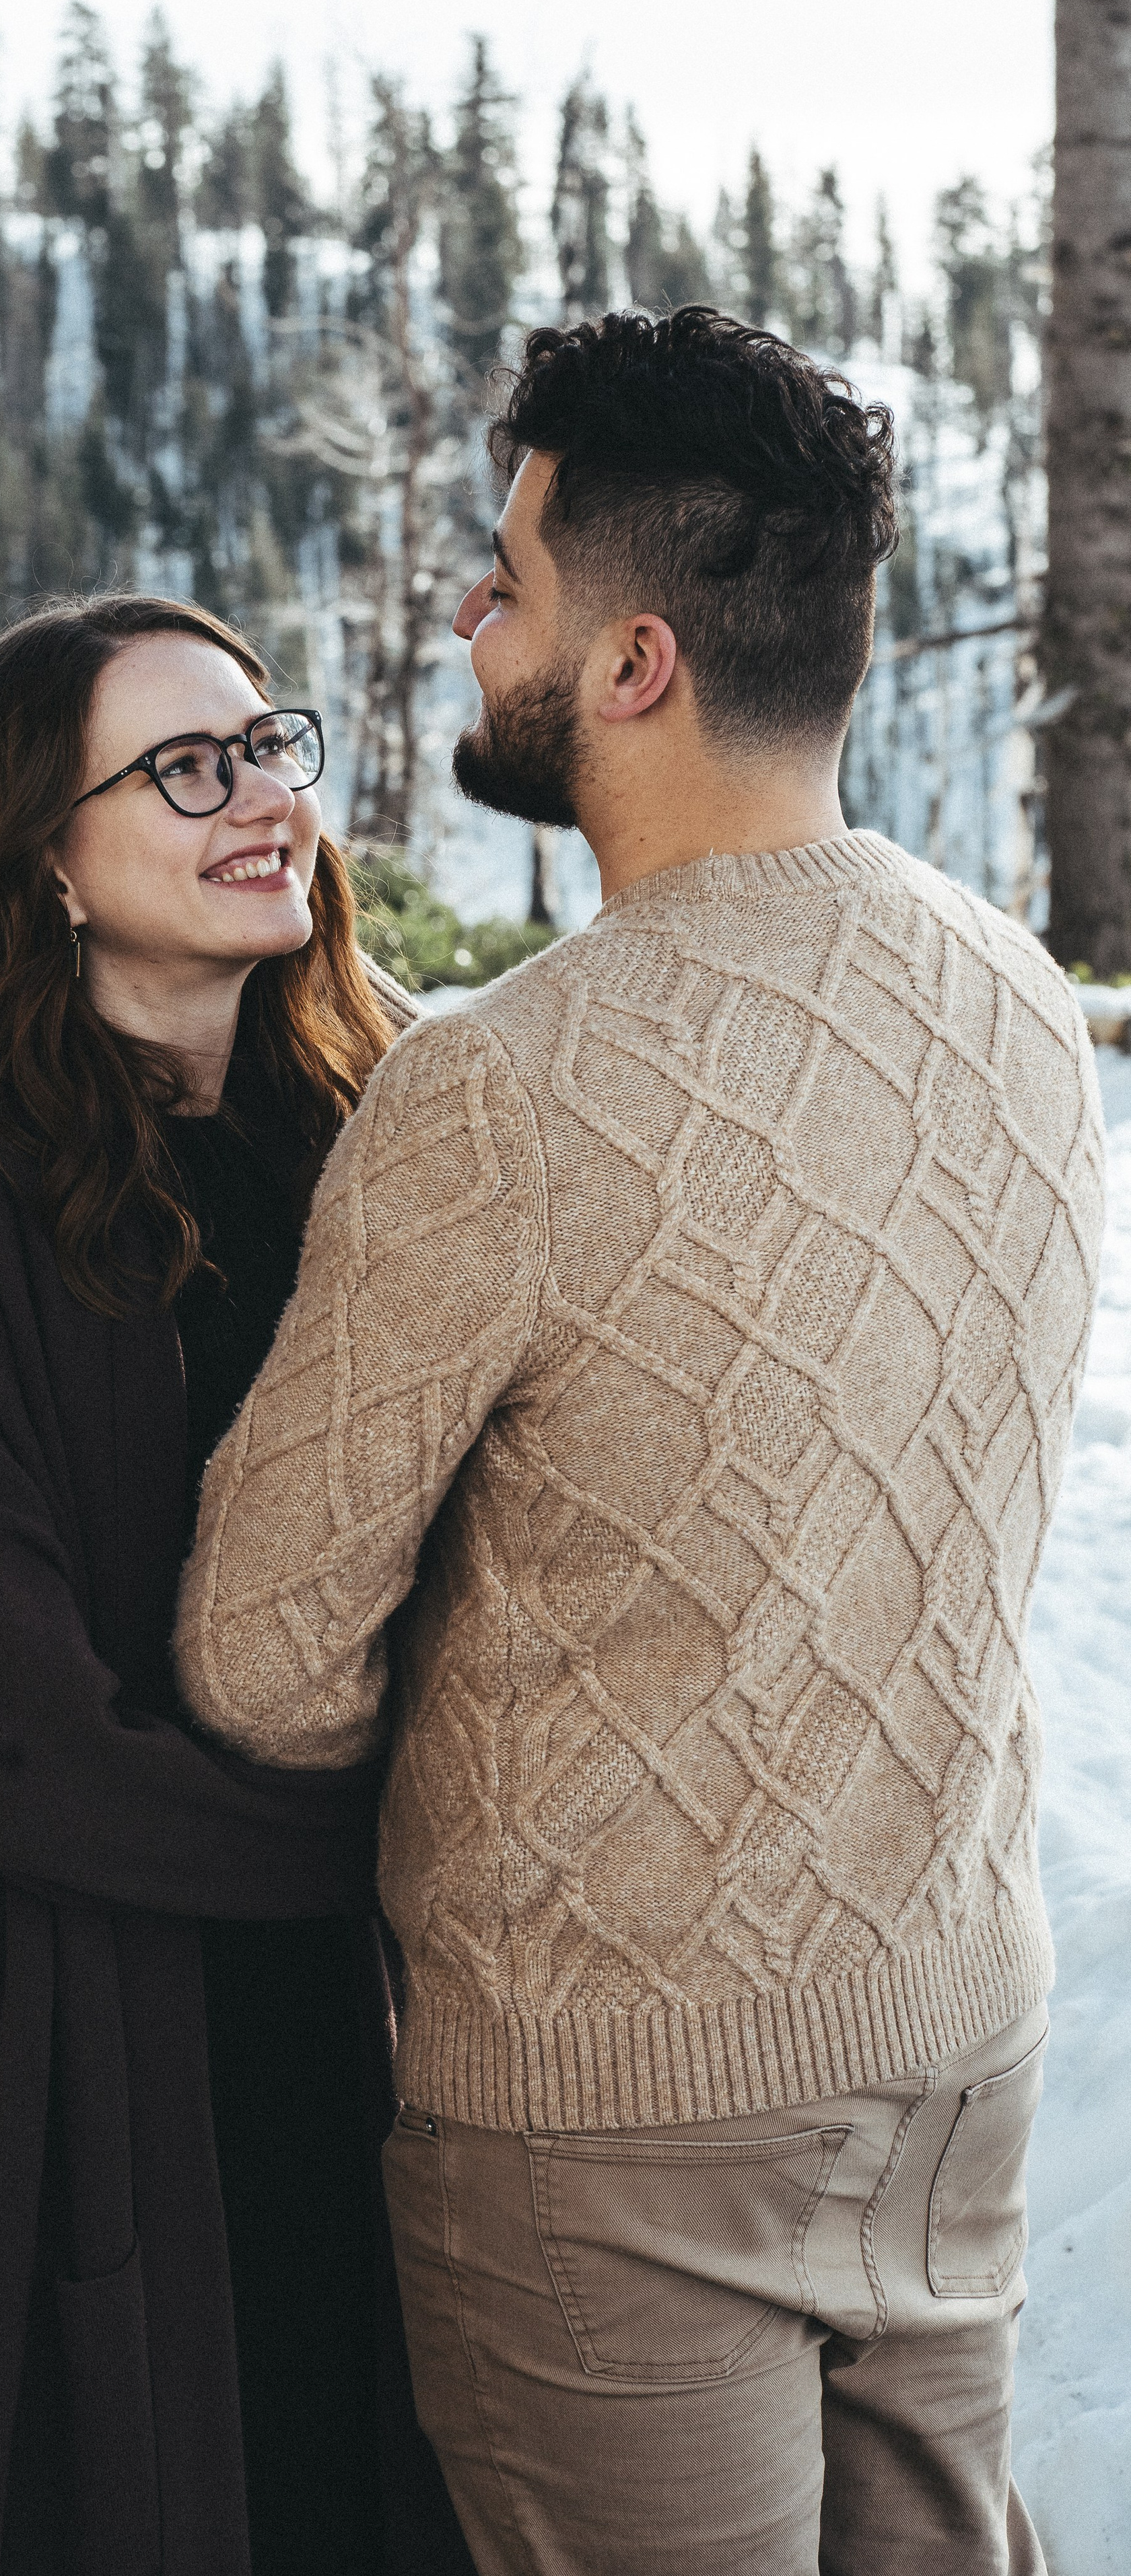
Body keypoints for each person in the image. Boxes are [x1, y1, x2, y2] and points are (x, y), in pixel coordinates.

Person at [176, 309, 1105, 2576]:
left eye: (507, 579)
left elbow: (259, 1659)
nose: (465, 617)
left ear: (637, 661)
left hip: (611, 2107)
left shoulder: (499, 1092)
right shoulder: (1021, 1000)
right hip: (954, 2037)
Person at [0, 594, 473, 2576]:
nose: (259, 800)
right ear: (46, 861)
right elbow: (24, 1748)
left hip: (331, 2019)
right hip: (44, 2040)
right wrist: (415, 1842)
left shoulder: (381, 1133)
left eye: (267, 746)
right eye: (182, 768)